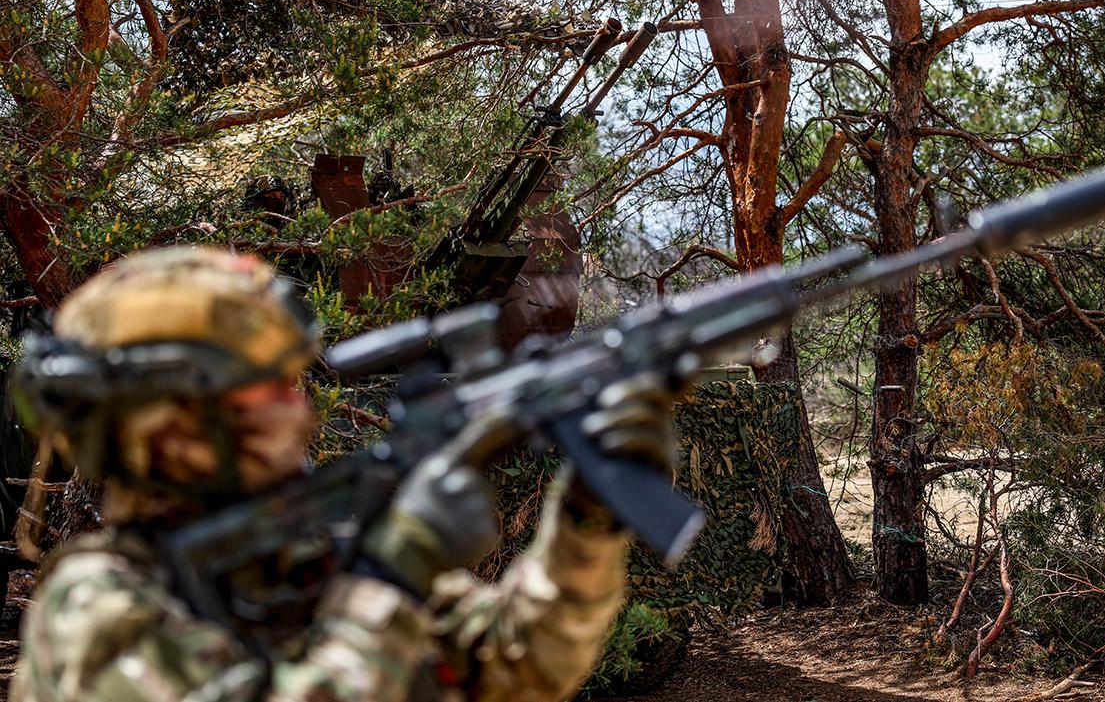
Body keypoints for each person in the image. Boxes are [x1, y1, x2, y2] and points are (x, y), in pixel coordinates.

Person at [10, 246, 677, 702]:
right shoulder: (93, 611)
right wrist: (391, 576)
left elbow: (523, 664)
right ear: (173, 427)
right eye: (265, 391)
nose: (298, 411)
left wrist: (587, 521)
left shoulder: (297, 561)